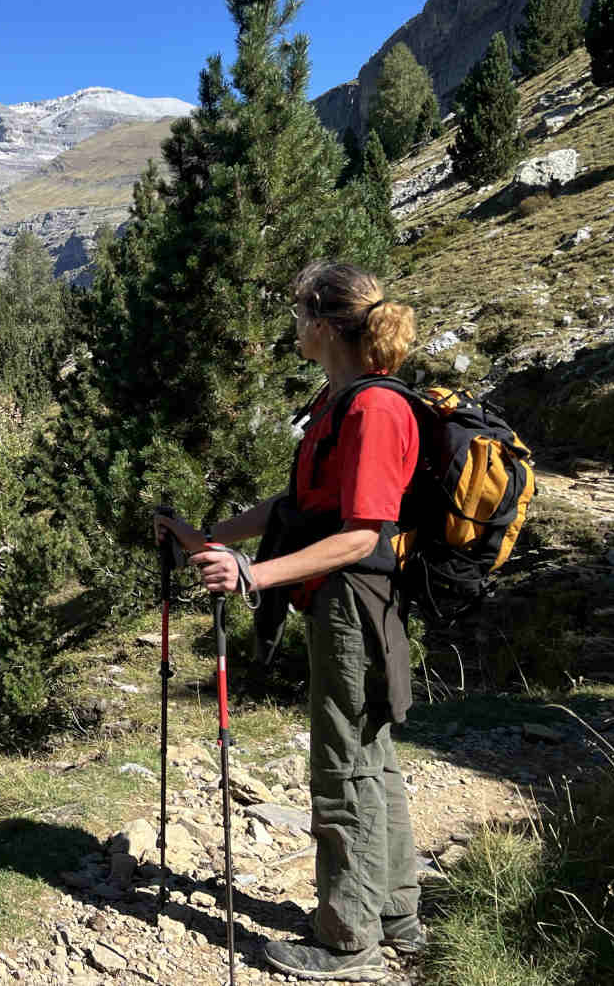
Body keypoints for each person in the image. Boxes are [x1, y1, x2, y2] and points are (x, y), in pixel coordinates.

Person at [156, 261, 423, 981]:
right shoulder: (340, 400)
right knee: (371, 755)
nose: (291, 325)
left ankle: (347, 938)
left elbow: (365, 533)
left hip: (352, 605)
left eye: (299, 312)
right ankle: (396, 913)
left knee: (343, 765)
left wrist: (255, 574)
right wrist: (209, 534)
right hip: (343, 601)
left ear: (325, 323)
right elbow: (293, 507)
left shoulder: (372, 409)